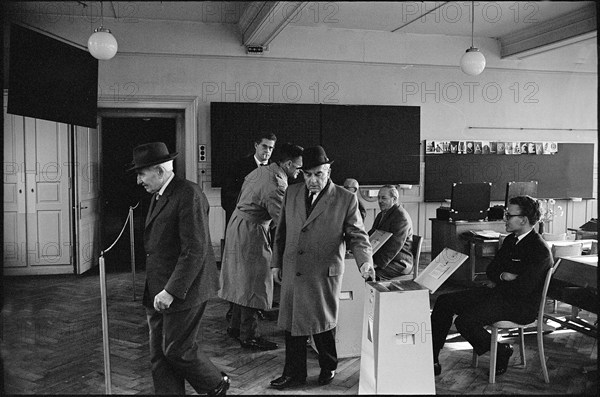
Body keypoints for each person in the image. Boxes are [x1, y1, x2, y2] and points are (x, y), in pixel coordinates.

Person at [269, 145, 375, 390]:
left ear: (328, 171)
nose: (313, 180)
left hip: (322, 272)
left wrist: (365, 261)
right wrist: (275, 263)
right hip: (294, 268)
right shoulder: (292, 193)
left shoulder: (345, 198)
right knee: (293, 324)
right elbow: (281, 232)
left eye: (318, 174)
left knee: (321, 326)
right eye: (307, 174)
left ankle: (329, 365)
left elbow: (358, 236)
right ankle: (294, 374)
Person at [129, 142, 230, 395]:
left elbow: (194, 250)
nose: (139, 180)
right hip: (158, 287)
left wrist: (170, 291)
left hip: (184, 289)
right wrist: (158, 290)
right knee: (159, 355)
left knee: (177, 350)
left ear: (160, 171)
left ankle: (216, 384)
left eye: (142, 173)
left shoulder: (188, 194)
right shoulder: (159, 195)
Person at [430, 195, 553, 377]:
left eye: (509, 215)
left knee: (465, 321)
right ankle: (432, 358)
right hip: (499, 294)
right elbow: (492, 270)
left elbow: (523, 289)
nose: (505, 218)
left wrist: (501, 279)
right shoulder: (511, 240)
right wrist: (505, 276)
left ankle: (501, 352)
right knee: (444, 301)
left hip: (520, 305)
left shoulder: (539, 250)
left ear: (524, 220)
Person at [219, 143, 304, 351]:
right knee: (254, 282)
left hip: (238, 226)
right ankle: (250, 336)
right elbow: (284, 221)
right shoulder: (276, 185)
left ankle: (235, 327)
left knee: (241, 279)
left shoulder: (263, 171)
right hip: (251, 231)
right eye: (299, 168)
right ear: (288, 163)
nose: (299, 172)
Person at [220, 132, 277, 227]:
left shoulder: (275, 170)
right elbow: (227, 197)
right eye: (264, 146)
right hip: (241, 222)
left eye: (270, 148)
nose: (267, 151)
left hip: (266, 225)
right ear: (256, 145)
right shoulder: (237, 166)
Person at [368, 185, 414, 280]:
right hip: (387, 259)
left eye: (384, 198)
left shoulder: (401, 217)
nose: (380, 201)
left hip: (400, 262)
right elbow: (372, 236)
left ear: (394, 199)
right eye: (379, 198)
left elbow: (393, 246)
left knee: (370, 275)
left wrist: (376, 264)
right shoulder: (382, 214)